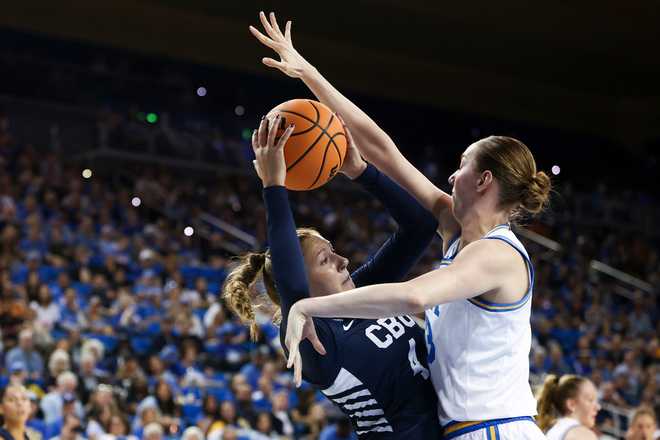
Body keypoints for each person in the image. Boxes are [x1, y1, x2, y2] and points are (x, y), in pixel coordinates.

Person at [253, 12, 552, 440]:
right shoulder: (455, 228)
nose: (451, 177)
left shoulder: (497, 254)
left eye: (462, 166)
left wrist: (304, 305)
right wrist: (311, 75)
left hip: (495, 430)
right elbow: (385, 151)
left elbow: (413, 294)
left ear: (485, 180)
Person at [221, 114, 440, 438]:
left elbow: (421, 226)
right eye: (325, 259)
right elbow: (293, 289)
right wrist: (273, 187)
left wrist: (361, 171)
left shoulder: (363, 290)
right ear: (303, 281)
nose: (343, 260)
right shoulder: (309, 333)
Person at [536, 375, 600, 439]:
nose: (598, 407)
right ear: (571, 404)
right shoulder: (581, 434)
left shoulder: (553, 429)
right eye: (590, 400)